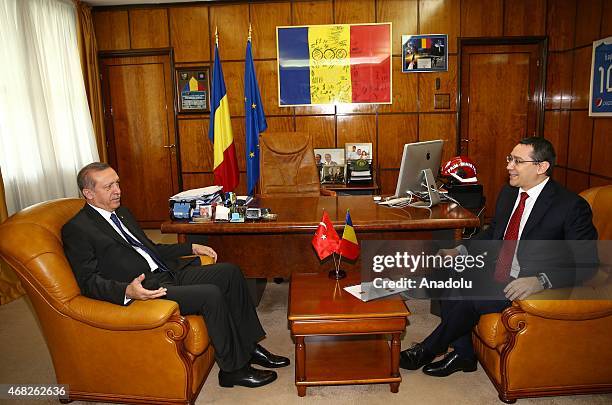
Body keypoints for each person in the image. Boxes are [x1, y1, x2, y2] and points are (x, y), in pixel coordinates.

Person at [62, 162, 289, 388]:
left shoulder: (122, 212)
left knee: (230, 272)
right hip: (146, 289)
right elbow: (88, 282)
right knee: (210, 294)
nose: (118, 190)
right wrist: (126, 291)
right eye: (108, 186)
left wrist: (189, 248)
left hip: (165, 272)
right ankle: (233, 370)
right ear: (89, 193)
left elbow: (149, 247)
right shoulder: (77, 229)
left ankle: (248, 348)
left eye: (117, 183)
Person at [400, 137, 598, 377]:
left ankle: (429, 348)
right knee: (452, 273)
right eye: (509, 159)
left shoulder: (570, 206)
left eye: (517, 161)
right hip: (500, 268)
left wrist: (541, 280)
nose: (509, 166)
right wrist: (460, 250)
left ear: (541, 167)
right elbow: (494, 233)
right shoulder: (509, 193)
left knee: (470, 297)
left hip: (529, 281)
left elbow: (588, 264)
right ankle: (464, 354)